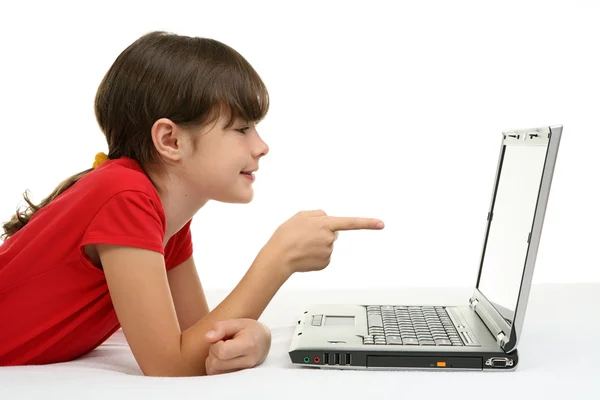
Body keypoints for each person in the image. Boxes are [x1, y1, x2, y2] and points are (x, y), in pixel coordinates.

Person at [0, 31, 384, 376]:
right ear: (170, 140)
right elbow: (170, 364)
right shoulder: (126, 197)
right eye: (241, 128)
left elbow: (200, 340)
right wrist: (278, 259)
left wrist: (257, 336)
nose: (261, 146)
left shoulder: (166, 218)